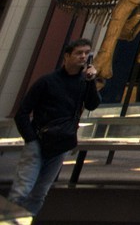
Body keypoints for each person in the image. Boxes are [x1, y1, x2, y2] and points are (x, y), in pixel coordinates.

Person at [11, 37, 100, 216]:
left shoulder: (83, 83)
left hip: (61, 145)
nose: (83, 57)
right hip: (38, 143)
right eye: (79, 53)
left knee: (39, 193)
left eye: (86, 53)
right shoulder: (47, 81)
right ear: (67, 56)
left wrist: (91, 80)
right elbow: (22, 113)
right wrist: (31, 139)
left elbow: (92, 104)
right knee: (22, 190)